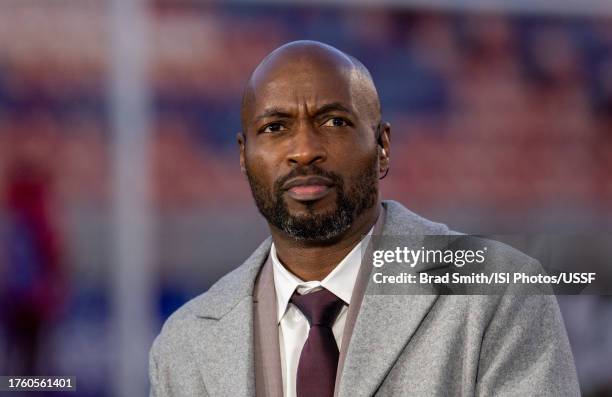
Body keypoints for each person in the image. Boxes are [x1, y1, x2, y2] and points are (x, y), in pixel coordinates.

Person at [149, 41, 579, 397]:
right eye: (276, 128)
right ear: (243, 156)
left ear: (383, 146)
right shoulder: (184, 344)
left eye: (334, 121)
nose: (304, 150)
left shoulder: (500, 292)